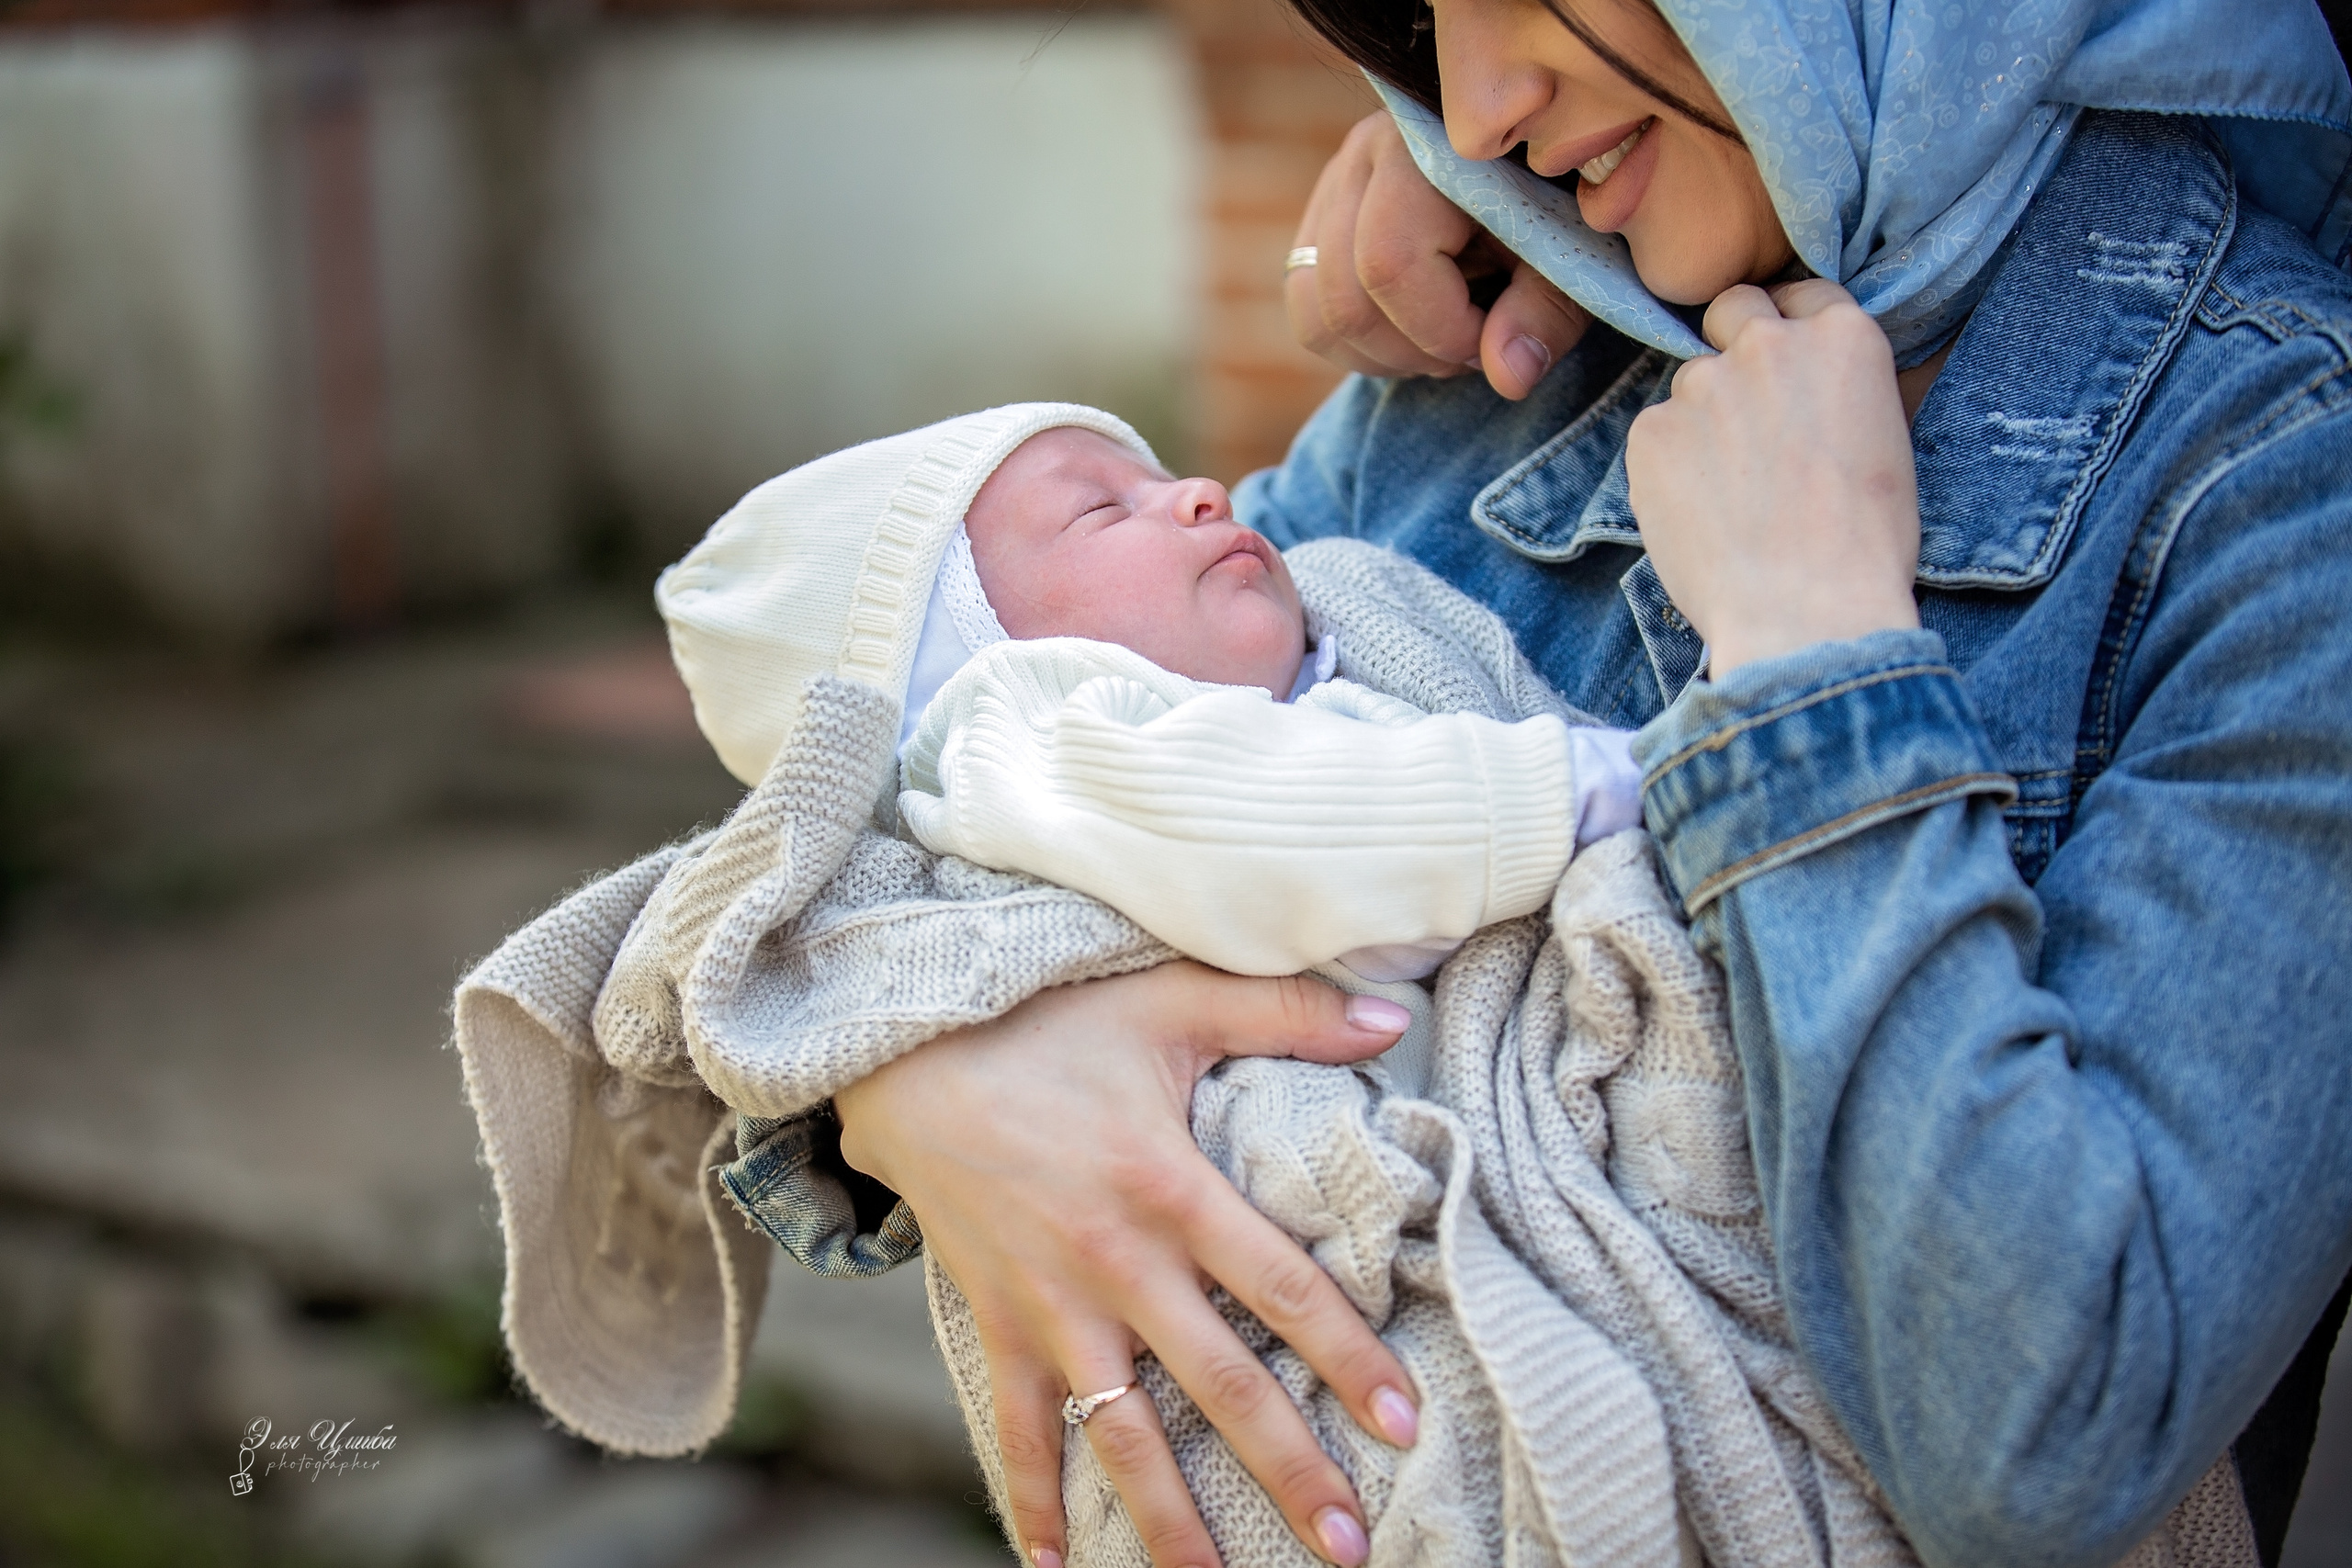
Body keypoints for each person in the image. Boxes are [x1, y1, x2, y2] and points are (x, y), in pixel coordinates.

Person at [821, 6, 2352, 1568]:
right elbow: (937, 750)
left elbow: (2040, 1445)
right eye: (1424, 15)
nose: (1475, 114)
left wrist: (1811, 659)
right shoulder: (1484, 366)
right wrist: (938, 1063)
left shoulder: (2287, 491)